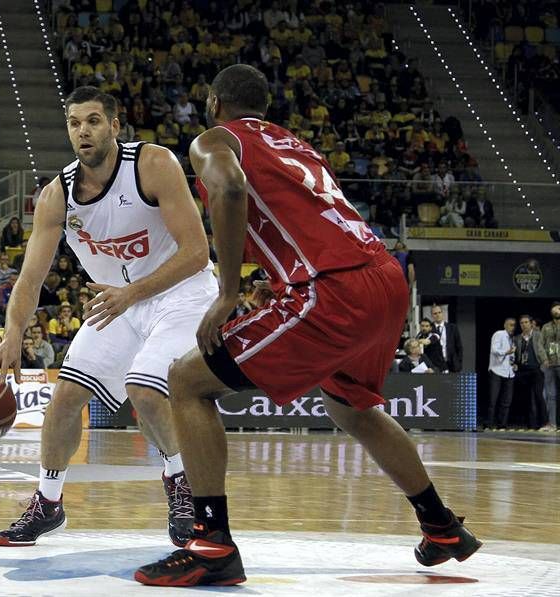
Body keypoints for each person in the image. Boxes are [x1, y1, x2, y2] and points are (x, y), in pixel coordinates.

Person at [135, 65, 481, 587]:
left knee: (186, 381)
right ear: (265, 109)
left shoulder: (213, 140)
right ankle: (441, 526)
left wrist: (228, 292)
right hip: (383, 278)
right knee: (352, 407)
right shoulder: (294, 144)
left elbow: (228, 189)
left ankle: (211, 545)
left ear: (213, 103)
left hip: (332, 286)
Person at [0, 86, 217, 550]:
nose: (82, 131)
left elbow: (196, 252)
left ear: (114, 127)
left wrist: (133, 293)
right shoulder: (55, 196)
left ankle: (180, 481)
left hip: (181, 294)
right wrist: (12, 334)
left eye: (92, 121)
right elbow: (29, 279)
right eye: (73, 123)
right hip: (117, 303)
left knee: (144, 388)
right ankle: (48, 503)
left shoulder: (153, 165)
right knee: (64, 398)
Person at [514, 314, 548, 429]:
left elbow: (544, 349)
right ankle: (531, 424)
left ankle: (544, 422)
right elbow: (516, 354)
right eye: (522, 323)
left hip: (536, 369)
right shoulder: (517, 338)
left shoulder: (538, 335)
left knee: (539, 395)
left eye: (526, 322)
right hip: (523, 371)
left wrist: (545, 361)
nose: (524, 325)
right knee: (527, 398)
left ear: (531, 323)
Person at [487, 318, 516, 429]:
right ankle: (489, 424)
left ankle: (502, 424)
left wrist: (514, 364)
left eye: (513, 325)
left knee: (506, 401)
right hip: (497, 370)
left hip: (509, 372)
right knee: (493, 399)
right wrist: (507, 352)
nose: (512, 327)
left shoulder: (512, 339)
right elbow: (494, 350)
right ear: (505, 325)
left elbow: (512, 355)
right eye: (510, 325)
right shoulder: (499, 334)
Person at [539, 302, 560, 431]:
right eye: (555, 309)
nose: (557, 311)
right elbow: (540, 344)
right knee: (550, 395)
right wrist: (544, 359)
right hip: (550, 363)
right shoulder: (546, 327)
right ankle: (552, 423)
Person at [431, 305, 463, 372]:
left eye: (439, 312)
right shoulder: (430, 329)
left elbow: (459, 346)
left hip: (451, 363)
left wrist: (459, 362)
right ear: (432, 315)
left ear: (442, 313)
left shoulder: (452, 327)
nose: (438, 315)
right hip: (436, 365)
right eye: (435, 313)